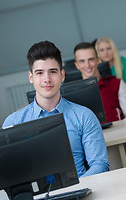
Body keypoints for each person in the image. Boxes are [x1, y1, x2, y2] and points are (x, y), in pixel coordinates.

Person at [2, 41, 109, 177]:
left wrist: (79, 186)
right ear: (31, 77)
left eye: (52, 72)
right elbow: (9, 172)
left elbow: (100, 165)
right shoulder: (12, 123)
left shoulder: (84, 116)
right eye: (39, 73)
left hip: (81, 191)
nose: (47, 79)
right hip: (35, 197)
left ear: (62, 75)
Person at [74, 42, 126, 122]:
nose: (87, 65)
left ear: (98, 60)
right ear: (76, 65)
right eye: (82, 61)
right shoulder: (74, 93)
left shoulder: (117, 84)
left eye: (91, 59)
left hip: (120, 132)